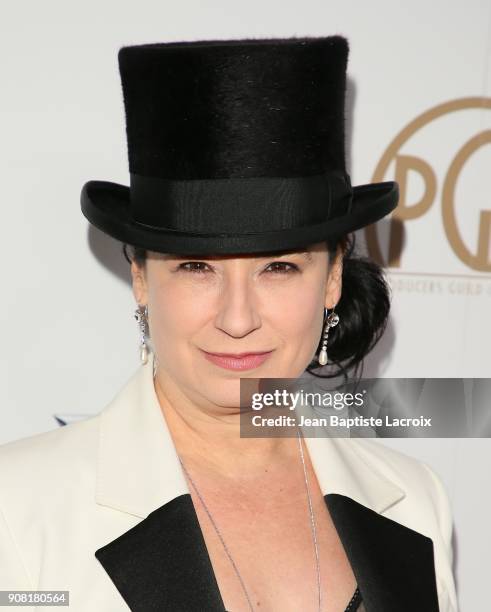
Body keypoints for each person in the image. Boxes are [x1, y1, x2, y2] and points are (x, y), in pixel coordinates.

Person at [0, 36, 458, 612]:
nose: (237, 319)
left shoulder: (415, 505)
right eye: (197, 267)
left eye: (280, 267)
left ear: (333, 277)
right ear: (140, 277)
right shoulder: (17, 509)